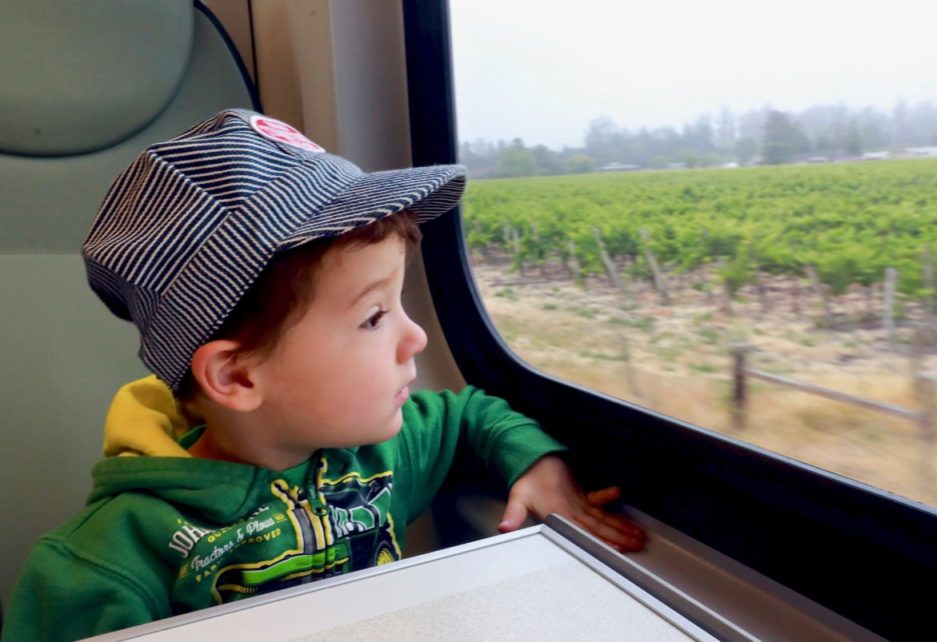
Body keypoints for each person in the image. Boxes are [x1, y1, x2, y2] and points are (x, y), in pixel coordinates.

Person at [1, 109, 644, 641]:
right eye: (373, 317)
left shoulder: (377, 455)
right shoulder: (107, 565)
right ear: (238, 378)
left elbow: (471, 413)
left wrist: (539, 467)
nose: (416, 335)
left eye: (399, 305)